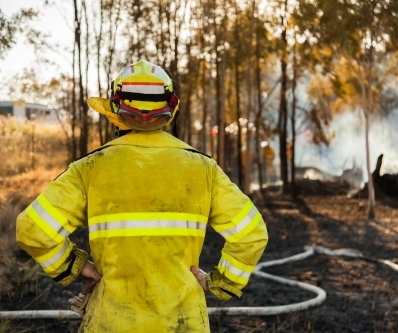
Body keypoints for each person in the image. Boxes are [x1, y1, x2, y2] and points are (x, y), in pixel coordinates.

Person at [16, 60, 268, 332]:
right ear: (171, 108)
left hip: (110, 323)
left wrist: (76, 267)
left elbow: (32, 229)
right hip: (183, 324)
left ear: (116, 105)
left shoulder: (89, 168)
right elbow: (251, 234)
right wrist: (222, 281)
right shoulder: (203, 168)